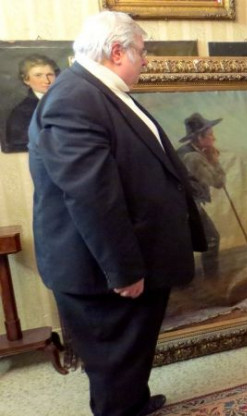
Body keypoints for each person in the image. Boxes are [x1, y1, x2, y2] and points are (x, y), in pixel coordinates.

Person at [27, 11, 206, 416]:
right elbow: (92, 197)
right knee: (114, 357)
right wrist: (123, 270)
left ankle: (133, 403)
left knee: (131, 350)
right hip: (102, 267)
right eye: (142, 51)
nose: (146, 60)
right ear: (117, 51)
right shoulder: (74, 99)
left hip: (132, 251)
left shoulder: (98, 90)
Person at [177, 112, 226, 278]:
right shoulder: (193, 157)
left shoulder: (186, 152)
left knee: (193, 240)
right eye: (210, 134)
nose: (214, 138)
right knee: (211, 239)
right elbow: (218, 182)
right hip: (184, 206)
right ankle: (212, 282)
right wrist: (214, 161)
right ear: (199, 137)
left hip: (180, 205)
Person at [2, 54, 59, 153]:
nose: (46, 81)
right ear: (26, 80)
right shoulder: (21, 112)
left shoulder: (66, 101)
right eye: (38, 75)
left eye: (50, 75)